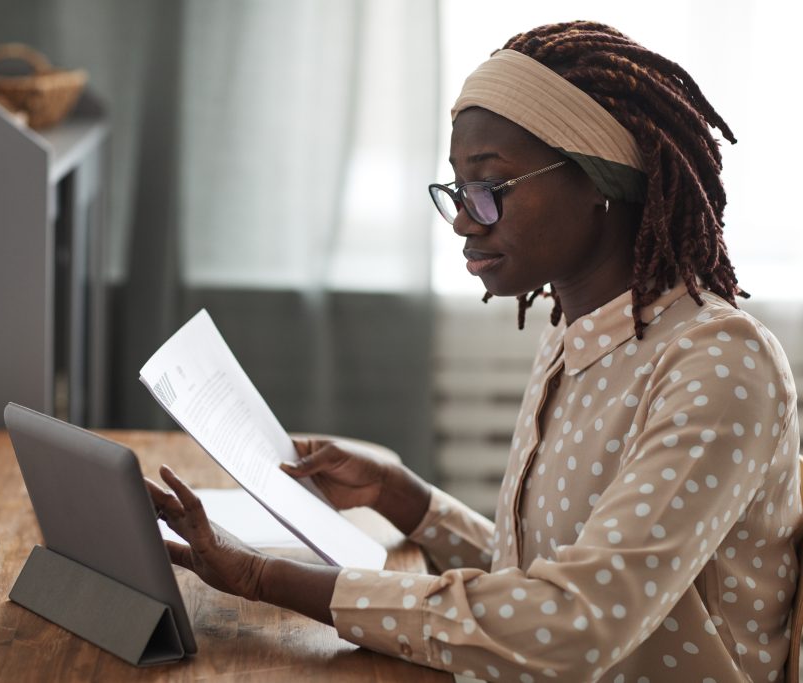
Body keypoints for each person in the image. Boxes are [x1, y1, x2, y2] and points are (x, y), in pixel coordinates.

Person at [145, 21, 802, 681]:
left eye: (489, 187)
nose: (464, 217)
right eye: (458, 191)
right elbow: (540, 580)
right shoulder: (571, 337)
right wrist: (407, 499)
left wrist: (265, 576)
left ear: (600, 178)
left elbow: (575, 619)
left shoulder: (718, 363)